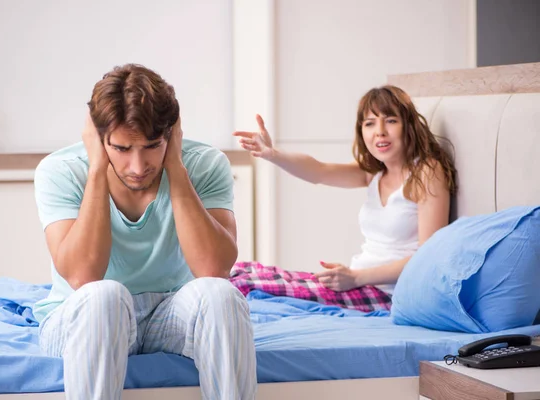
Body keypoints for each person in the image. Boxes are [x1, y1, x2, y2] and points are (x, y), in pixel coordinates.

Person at [32, 63, 257, 400]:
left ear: (171, 134)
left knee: (221, 296)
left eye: (152, 145)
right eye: (121, 149)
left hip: (169, 312)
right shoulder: (61, 171)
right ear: (96, 138)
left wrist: (175, 168)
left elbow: (214, 269)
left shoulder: (203, 164)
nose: (138, 167)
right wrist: (97, 169)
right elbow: (82, 276)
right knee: (104, 296)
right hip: (86, 317)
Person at [233, 85, 457, 305]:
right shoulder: (375, 172)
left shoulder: (427, 172)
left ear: (409, 126)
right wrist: (273, 154)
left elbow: (428, 257)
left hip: (389, 293)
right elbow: (319, 171)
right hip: (358, 282)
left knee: (248, 287)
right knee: (240, 272)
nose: (379, 131)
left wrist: (356, 277)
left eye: (390, 120)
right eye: (370, 123)